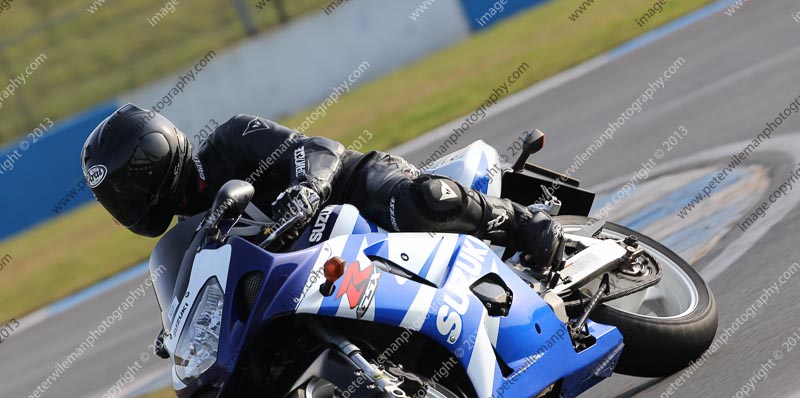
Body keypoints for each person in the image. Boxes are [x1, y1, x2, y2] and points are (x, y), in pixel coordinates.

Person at [80, 103, 562, 267]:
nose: (129, 201)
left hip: (356, 188)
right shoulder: (193, 240)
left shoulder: (230, 139)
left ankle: (524, 221)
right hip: (329, 264)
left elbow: (318, 148)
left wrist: (308, 187)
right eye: (118, 198)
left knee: (421, 205)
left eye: (129, 186)